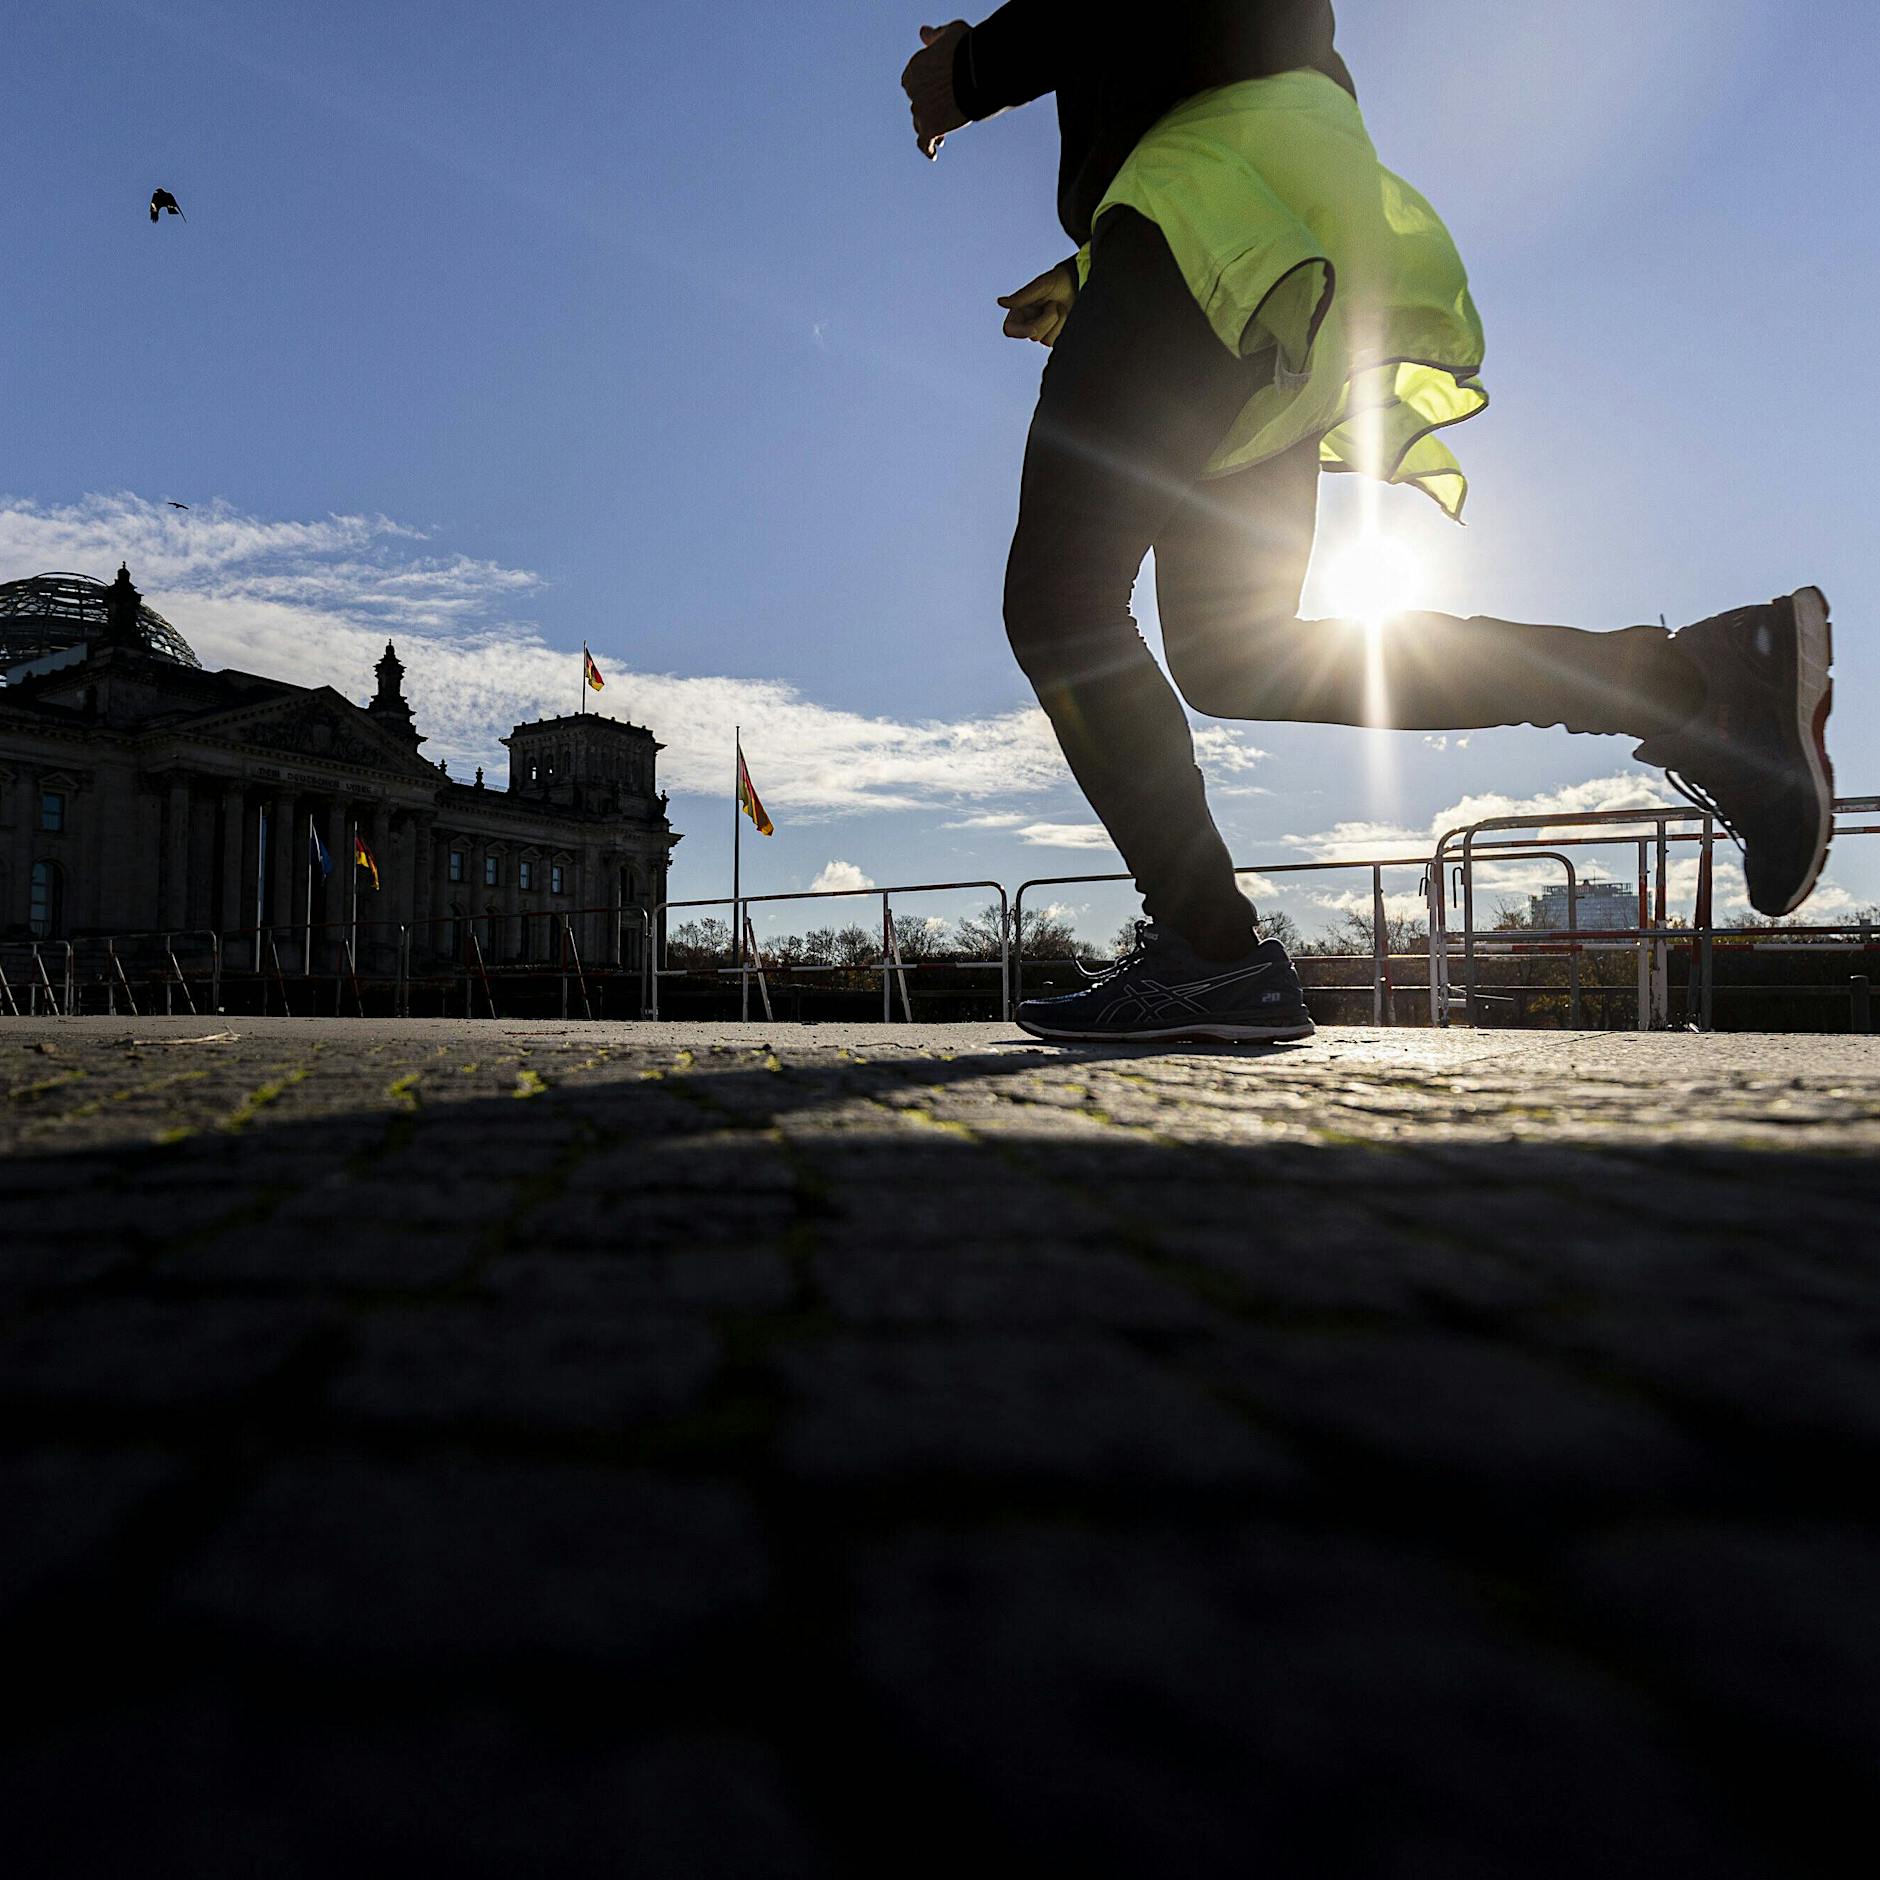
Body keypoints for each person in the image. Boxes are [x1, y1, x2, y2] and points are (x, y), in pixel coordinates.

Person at [900, 4, 1835, 1045]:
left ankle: (1210, 952)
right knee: (1235, 657)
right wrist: (1094, 272)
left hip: (1210, 201)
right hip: (1282, 219)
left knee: (1060, 602)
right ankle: (1694, 685)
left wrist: (973, 68)